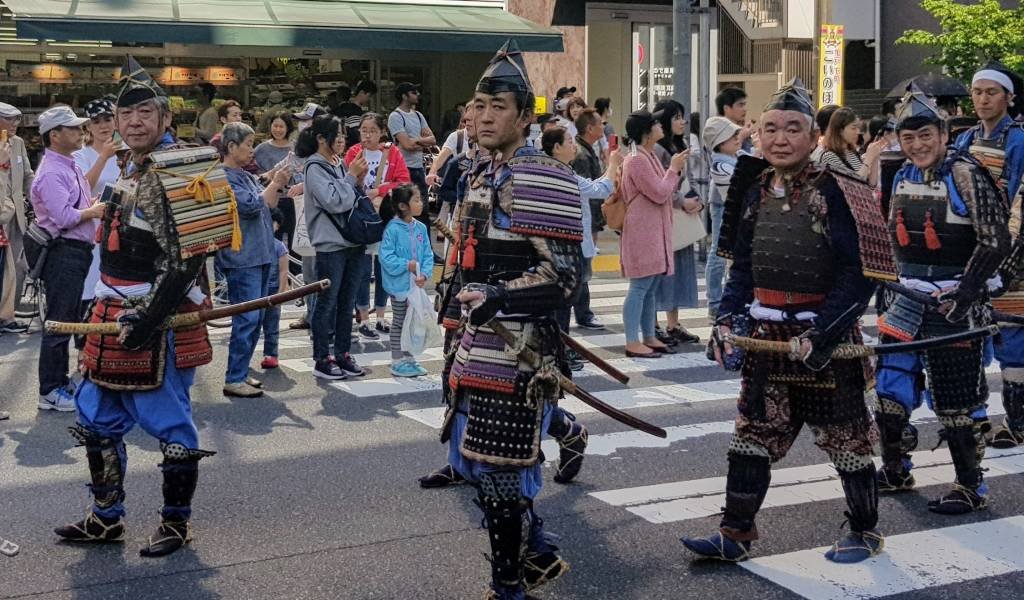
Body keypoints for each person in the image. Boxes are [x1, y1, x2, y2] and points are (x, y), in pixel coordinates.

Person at [683, 78, 889, 564]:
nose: (779, 138)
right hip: (766, 338)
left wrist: (822, 334)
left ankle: (865, 531)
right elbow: (744, 265)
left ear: (813, 135)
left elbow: (860, 274)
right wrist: (727, 318)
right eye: (769, 128)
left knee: (847, 444)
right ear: (756, 133)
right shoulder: (752, 187)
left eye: (792, 128)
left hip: (825, 340)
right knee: (749, 438)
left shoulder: (838, 189)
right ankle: (734, 534)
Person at [55, 56, 218, 556]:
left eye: (145, 112)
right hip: (109, 310)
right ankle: (106, 518)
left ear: (166, 118)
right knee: (98, 419)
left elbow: (190, 257)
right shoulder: (126, 164)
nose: (134, 122)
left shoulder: (186, 167)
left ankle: (175, 523)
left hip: (159, 316)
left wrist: (149, 317)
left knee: (171, 426)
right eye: (126, 116)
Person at [443, 40, 579, 599]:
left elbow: (563, 276)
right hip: (475, 342)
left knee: (499, 470)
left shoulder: (539, 175)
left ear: (525, 116)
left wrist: (499, 295)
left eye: (499, 107)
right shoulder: (479, 170)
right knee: (478, 463)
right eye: (479, 105)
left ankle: (509, 587)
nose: (484, 116)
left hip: (519, 346)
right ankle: (537, 552)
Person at [873, 86, 1010, 514]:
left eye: (925, 135)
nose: (917, 145)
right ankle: (896, 468)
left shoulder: (966, 173)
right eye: (908, 137)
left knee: (956, 402)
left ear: (943, 133)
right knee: (888, 392)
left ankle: (971, 486)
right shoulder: (900, 173)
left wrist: (967, 292)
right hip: (907, 295)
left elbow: (996, 240)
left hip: (956, 299)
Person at [954, 61, 1024, 448]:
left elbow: (1019, 200)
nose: (982, 99)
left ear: (1009, 97)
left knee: (1013, 337)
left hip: (1013, 253)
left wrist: (1007, 254)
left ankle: (1018, 421)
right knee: (972, 335)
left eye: (991, 92)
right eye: (978, 92)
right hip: (972, 251)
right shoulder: (964, 140)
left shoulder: (1019, 141)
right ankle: (976, 417)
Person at [30, 105, 103, 411]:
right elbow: (62, 217)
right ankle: (50, 388)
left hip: (74, 252)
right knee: (59, 321)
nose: (79, 132)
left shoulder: (67, 163)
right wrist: (94, 211)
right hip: (63, 252)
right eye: (72, 128)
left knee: (68, 318)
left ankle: (59, 381)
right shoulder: (51, 172)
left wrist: (90, 207)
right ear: (54, 135)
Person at [218, 122, 290, 398]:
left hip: (259, 254)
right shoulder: (225, 177)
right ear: (232, 147)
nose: (251, 150)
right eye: (247, 144)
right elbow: (250, 206)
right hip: (243, 257)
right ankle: (233, 376)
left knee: (256, 317)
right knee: (246, 318)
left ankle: (241, 371)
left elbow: (265, 202)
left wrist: (272, 181)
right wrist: (275, 183)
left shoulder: (244, 175)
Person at [300, 114, 370, 380]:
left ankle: (343, 354)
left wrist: (357, 180)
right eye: (336, 135)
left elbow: (350, 197)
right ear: (321, 139)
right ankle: (322, 358)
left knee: (347, 301)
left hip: (351, 241)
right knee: (327, 303)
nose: (341, 140)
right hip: (330, 244)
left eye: (343, 135)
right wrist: (351, 178)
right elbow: (334, 201)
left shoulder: (340, 164)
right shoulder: (314, 167)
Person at [619, 109, 688, 358]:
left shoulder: (646, 155)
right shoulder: (636, 159)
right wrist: (674, 168)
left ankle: (648, 335)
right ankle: (631, 340)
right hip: (642, 230)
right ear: (647, 132)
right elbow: (659, 192)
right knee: (640, 285)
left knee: (650, 285)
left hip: (653, 228)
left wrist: (672, 169)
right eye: (656, 123)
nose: (661, 126)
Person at [345, 112, 411, 340]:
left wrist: (380, 190)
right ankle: (363, 317)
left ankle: (381, 315)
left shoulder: (392, 152)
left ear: (382, 131)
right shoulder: (353, 152)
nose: (368, 135)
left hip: (385, 214)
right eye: (364, 130)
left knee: (384, 266)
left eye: (372, 130)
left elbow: (403, 180)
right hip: (360, 218)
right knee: (362, 269)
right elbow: (346, 180)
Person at [73, 98, 122, 352]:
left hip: (122, 233)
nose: (103, 126)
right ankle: (85, 352)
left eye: (108, 119)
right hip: (91, 234)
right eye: (96, 121)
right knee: (89, 290)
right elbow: (82, 190)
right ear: (88, 127)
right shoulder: (79, 156)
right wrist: (103, 157)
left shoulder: (126, 152)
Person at [652, 99, 702, 346]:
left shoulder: (677, 145)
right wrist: (683, 201)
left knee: (678, 269)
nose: (682, 122)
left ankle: (672, 323)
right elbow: (660, 187)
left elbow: (685, 182)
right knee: (660, 271)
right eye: (676, 117)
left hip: (679, 218)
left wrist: (694, 200)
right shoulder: (658, 150)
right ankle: (653, 324)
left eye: (682, 117)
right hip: (664, 218)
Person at [379, 184, 432, 377]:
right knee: (400, 321)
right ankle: (397, 360)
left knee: (414, 322)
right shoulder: (392, 229)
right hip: (399, 285)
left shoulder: (421, 228)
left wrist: (424, 274)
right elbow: (385, 257)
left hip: (415, 284)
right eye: (416, 200)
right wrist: (405, 265)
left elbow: (427, 254)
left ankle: (410, 359)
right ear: (403, 206)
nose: (421, 203)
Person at [569, 108, 612, 331]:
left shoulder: (586, 151)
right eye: (600, 124)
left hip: (584, 218)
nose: (603, 127)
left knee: (582, 268)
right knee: (581, 270)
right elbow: (591, 189)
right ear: (590, 128)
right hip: (580, 219)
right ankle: (583, 314)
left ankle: (583, 313)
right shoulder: (581, 155)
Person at [702, 116, 743, 319]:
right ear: (719, 142)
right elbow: (735, 193)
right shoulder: (720, 164)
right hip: (723, 209)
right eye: (732, 136)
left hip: (728, 210)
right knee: (719, 253)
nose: (738, 138)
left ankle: (722, 300)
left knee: (723, 254)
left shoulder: (734, 158)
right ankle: (715, 302)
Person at [0, 102, 33, 335]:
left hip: (16, 213)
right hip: (1, 213)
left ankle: (7, 313)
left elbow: (28, 176)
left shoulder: (18, 143)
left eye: (17, 119)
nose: (15, 124)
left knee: (17, 265)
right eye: (10, 119)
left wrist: (40, 200)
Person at [388, 83, 436, 237]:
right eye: (413, 92)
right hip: (403, 169)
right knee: (403, 210)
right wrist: (420, 142)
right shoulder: (396, 116)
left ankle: (425, 248)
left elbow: (433, 140)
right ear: (404, 95)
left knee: (423, 210)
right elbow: (406, 145)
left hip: (418, 167)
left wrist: (415, 141)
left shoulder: (418, 115)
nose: (417, 95)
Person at [253, 112, 297, 251]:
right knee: (273, 240)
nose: (278, 130)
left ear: (288, 128)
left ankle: (294, 271)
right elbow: (255, 172)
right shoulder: (261, 148)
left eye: (281, 126)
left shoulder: (294, 148)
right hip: (270, 199)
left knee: (294, 239)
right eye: (275, 126)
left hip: (292, 199)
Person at [819, 107, 885, 187]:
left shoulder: (852, 153)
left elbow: (871, 184)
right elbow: (853, 185)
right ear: (840, 130)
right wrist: (868, 158)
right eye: (853, 128)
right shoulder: (829, 156)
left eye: (858, 128)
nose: (857, 132)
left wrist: (875, 156)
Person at [260, 209, 289, 369]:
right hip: (257, 292)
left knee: (271, 325)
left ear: (277, 226)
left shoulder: (279, 246)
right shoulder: (255, 244)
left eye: (272, 223)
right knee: (253, 325)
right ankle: (247, 354)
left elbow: (283, 271)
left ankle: (271, 354)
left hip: (272, 290)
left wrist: (281, 293)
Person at [336, 80, 378, 148]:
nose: (369, 99)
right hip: (352, 147)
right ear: (361, 92)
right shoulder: (354, 110)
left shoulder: (347, 107)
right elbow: (356, 133)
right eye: (369, 96)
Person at [716, 87, 752, 152]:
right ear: (726, 108)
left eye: (744, 105)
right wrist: (741, 137)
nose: (745, 109)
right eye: (740, 105)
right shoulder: (717, 132)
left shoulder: (739, 129)